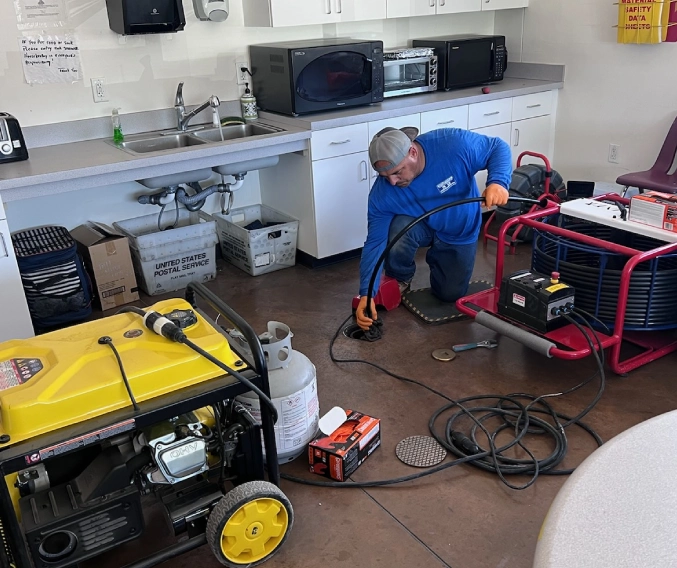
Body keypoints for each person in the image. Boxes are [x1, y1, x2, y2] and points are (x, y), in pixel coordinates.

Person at [355, 126, 512, 332]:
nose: (392, 182)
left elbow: (497, 147)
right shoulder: (382, 194)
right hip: (421, 226)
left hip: (458, 230)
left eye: (396, 172)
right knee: (398, 228)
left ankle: (443, 263)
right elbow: (375, 244)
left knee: (449, 295)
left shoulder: (453, 145)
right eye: (384, 176)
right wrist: (367, 294)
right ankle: (400, 278)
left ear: (412, 152)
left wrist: (498, 182)